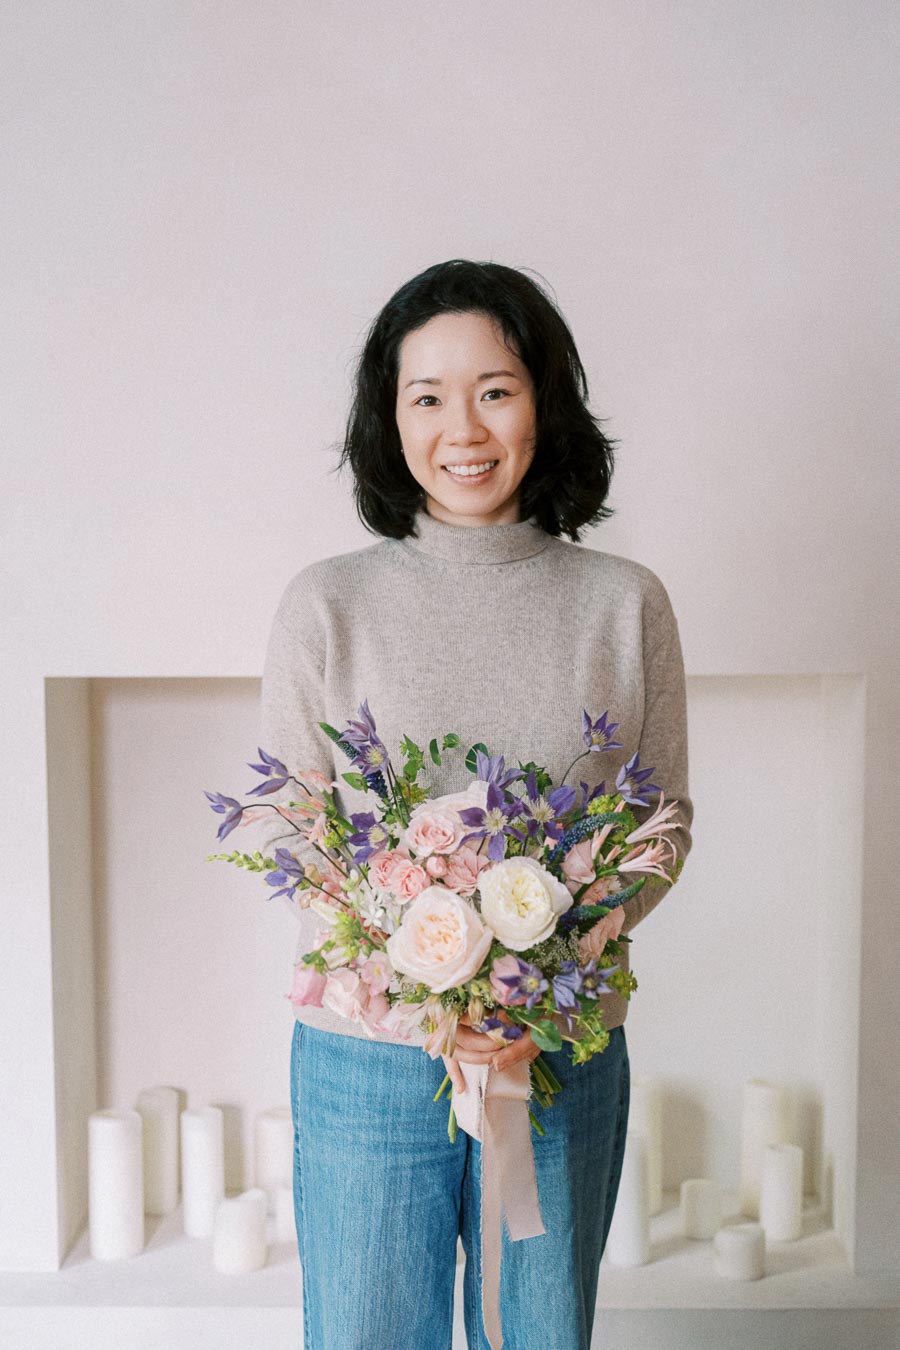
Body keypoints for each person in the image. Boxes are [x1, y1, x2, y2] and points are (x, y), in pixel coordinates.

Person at [258, 259, 693, 1350]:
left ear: (544, 398)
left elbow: (662, 826)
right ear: (389, 419)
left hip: (560, 1053)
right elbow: (290, 826)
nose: (465, 427)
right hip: (366, 1061)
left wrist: (542, 967)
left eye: (495, 389)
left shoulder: (623, 604)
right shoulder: (327, 604)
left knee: (539, 1336)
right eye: (428, 396)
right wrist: (421, 978)